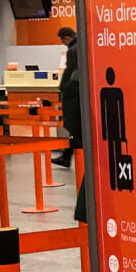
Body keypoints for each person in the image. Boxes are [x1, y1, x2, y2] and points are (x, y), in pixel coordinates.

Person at [52, 27, 79, 167]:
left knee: (74, 127)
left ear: (67, 37)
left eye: (62, 40)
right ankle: (66, 156)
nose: (62, 43)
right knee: (77, 129)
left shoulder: (73, 50)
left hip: (75, 93)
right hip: (83, 93)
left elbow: (69, 72)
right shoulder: (83, 45)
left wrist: (62, 88)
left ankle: (67, 156)